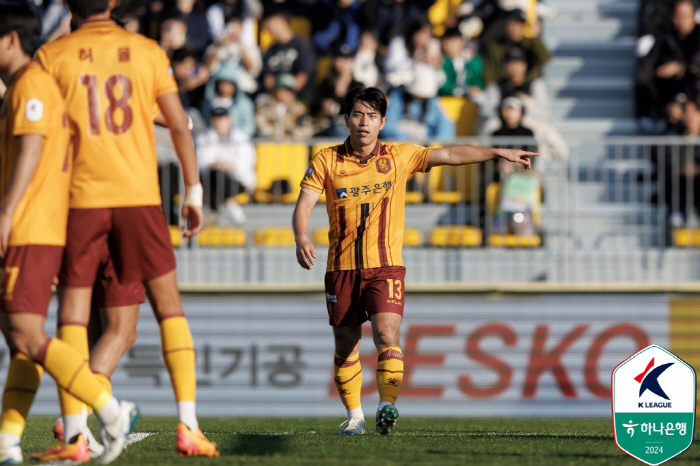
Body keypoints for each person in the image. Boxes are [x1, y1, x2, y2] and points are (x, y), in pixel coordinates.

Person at [32, 0, 218, 460]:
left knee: (72, 315)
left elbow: (39, 135)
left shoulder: (51, 58)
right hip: (137, 196)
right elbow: (181, 122)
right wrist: (193, 192)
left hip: (78, 199)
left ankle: (77, 431)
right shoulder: (146, 50)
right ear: (113, 4)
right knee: (168, 308)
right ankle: (189, 425)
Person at [292, 86, 535, 435]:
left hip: (386, 266)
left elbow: (451, 155)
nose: (364, 122)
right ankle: (355, 416)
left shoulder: (400, 155)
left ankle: (386, 407)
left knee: (386, 334)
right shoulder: (326, 160)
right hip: (341, 267)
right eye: (358, 115)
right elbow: (303, 206)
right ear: (346, 119)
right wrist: (301, 237)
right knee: (346, 345)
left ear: (383, 122)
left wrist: (497, 151)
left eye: (372, 116)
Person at [0, 5, 138, 465]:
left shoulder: (34, 83)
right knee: (18, 337)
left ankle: (108, 412)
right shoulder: (25, 84)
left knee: (25, 332)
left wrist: (6, 211)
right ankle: (7, 443)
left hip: (30, 226)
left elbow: (33, 147)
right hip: (30, 224)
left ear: (10, 40)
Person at [197, 107, 257, 225]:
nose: (219, 123)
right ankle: (230, 203)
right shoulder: (203, 138)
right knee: (216, 176)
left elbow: (245, 165)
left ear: (228, 120)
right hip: (212, 179)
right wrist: (219, 166)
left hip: (236, 181)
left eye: (222, 119)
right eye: (216, 119)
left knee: (218, 177)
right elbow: (201, 163)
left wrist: (226, 166)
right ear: (211, 121)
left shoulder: (241, 138)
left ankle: (214, 212)